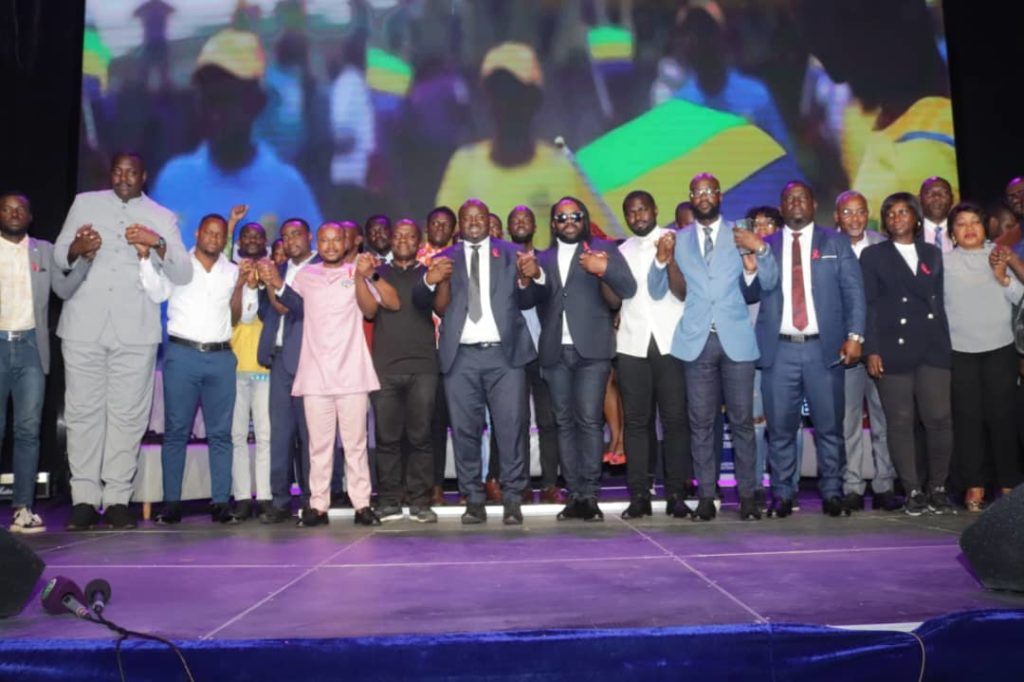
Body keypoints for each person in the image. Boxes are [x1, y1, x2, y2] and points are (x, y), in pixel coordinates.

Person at [55, 152, 192, 531]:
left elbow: (183, 272)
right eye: (117, 171)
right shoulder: (85, 203)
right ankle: (84, 498)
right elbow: (59, 254)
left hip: (136, 330)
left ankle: (117, 498)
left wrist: (157, 242)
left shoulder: (162, 216)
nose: (123, 177)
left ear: (143, 176)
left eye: (131, 172)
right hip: (83, 326)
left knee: (128, 416)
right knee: (82, 413)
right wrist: (76, 248)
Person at [649, 173, 777, 521]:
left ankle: (748, 497)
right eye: (697, 191)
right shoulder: (678, 239)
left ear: (720, 196)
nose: (704, 196)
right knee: (701, 423)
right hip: (697, 340)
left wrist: (759, 251)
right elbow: (657, 289)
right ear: (691, 197)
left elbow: (766, 282)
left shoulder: (740, 233)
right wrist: (661, 259)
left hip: (736, 338)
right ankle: (706, 497)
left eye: (710, 191)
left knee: (742, 423)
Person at [258, 223, 396, 526]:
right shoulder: (306, 275)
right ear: (317, 244)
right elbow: (290, 307)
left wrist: (365, 275)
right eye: (325, 240)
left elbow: (377, 308)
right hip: (315, 373)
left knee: (356, 445)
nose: (331, 246)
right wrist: (275, 283)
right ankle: (318, 506)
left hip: (351, 372)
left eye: (336, 240)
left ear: (346, 243)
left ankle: (362, 505)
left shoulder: (356, 270)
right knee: (318, 446)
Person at [413, 198, 539, 526]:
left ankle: (513, 499)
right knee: (465, 430)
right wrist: (428, 280)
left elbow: (528, 300)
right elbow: (422, 301)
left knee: (511, 429)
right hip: (461, 357)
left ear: (487, 220)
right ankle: (472, 499)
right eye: (466, 218)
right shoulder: (444, 257)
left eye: (479, 217)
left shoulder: (511, 253)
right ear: (459, 224)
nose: (473, 222)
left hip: (505, 356)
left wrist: (529, 278)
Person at [750, 182, 866, 518]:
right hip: (779, 350)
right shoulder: (767, 245)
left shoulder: (836, 242)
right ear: (781, 208)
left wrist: (855, 336)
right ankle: (783, 494)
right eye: (789, 198)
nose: (796, 202)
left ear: (814, 205)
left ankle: (832, 492)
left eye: (802, 198)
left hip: (824, 349)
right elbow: (750, 291)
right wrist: (750, 267)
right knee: (781, 430)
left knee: (829, 428)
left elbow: (854, 292)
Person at [151, 29, 322, 248]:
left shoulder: (286, 188)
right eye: (208, 98)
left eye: (227, 98)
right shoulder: (172, 182)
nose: (215, 112)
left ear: (257, 103)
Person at [524, 197, 637, 522]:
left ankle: (589, 494)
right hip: (554, 351)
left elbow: (628, 288)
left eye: (575, 215)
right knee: (564, 423)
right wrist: (534, 277)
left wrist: (605, 268)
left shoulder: (603, 248)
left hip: (593, 350)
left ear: (584, 219)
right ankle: (573, 493)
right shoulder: (542, 257)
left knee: (588, 420)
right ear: (553, 224)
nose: (569, 221)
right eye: (562, 217)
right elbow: (528, 300)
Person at [434, 43, 600, 251]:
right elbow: (441, 246)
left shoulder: (560, 168)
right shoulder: (464, 165)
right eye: (496, 93)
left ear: (534, 101)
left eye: (515, 93)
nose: (505, 103)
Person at [145, 214, 255, 524]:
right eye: (209, 232)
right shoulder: (180, 264)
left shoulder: (232, 271)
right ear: (197, 233)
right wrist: (145, 260)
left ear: (224, 239)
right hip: (183, 355)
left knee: (221, 434)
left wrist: (240, 286)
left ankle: (220, 503)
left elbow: (240, 318)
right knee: (176, 432)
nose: (213, 238)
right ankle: (171, 504)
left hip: (220, 357)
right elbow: (157, 293)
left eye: (219, 234)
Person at [0, 192, 89, 533]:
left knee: (28, 430)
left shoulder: (44, 250)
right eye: (7, 209)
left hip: (30, 348)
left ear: (30, 216)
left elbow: (63, 290)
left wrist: (85, 262)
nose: (14, 213)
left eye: (20, 209)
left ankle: (23, 508)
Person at [861, 192, 954, 516]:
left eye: (903, 212)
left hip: (932, 345)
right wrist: (871, 349)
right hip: (892, 347)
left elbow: (938, 302)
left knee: (939, 419)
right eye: (890, 213)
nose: (896, 217)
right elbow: (868, 305)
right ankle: (913, 489)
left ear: (916, 218)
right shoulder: (873, 256)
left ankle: (938, 487)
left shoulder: (932, 253)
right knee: (900, 422)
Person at [615, 191, 690, 519]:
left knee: (674, 421)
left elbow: (683, 292)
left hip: (671, 343)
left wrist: (668, 258)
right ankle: (639, 495)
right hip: (632, 345)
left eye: (643, 209)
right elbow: (615, 298)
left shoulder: (677, 241)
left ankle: (675, 493)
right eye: (631, 212)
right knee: (636, 423)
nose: (638, 216)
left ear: (655, 209)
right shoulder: (621, 251)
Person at [944, 203, 1023, 511]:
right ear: (952, 233)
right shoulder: (943, 263)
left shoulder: (999, 254)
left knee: (1003, 419)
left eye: (975, 222)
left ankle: (1008, 485)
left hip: (1000, 349)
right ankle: (974, 485)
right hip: (960, 351)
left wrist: (1003, 278)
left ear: (984, 227)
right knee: (968, 421)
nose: (969, 228)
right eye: (961, 223)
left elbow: (1020, 297)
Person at [833, 191, 899, 512]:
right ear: (837, 216)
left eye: (860, 211)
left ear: (868, 214)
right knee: (849, 421)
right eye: (847, 212)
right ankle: (853, 486)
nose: (854, 218)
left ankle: (885, 483)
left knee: (883, 417)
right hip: (844, 347)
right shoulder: (828, 247)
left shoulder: (885, 246)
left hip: (880, 346)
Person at [371, 219, 439, 523]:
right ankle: (388, 500)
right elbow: (368, 312)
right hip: (385, 366)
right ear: (390, 239)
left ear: (419, 242)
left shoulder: (429, 274)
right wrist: (367, 275)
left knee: (420, 437)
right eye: (398, 235)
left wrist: (440, 280)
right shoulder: (377, 273)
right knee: (386, 438)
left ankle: (420, 501)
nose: (402, 240)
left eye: (409, 236)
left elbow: (442, 307)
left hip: (423, 366)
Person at [256, 217, 318, 524]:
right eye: (285, 236)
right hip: (279, 358)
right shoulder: (278, 269)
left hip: (309, 358)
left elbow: (305, 309)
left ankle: (312, 500)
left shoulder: (322, 269)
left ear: (309, 236)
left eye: (297, 234)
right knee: (279, 434)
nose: (291, 240)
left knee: (310, 436)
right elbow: (268, 311)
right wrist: (267, 283)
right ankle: (280, 501)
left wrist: (278, 286)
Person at [503, 205, 563, 504]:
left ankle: (550, 484)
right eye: (515, 220)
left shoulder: (547, 260)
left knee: (549, 420)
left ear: (535, 226)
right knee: (517, 421)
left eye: (525, 219)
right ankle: (521, 483)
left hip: (544, 349)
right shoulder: (499, 262)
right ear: (508, 228)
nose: (520, 223)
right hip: (512, 353)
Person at [228, 210, 272, 520]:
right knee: (237, 435)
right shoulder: (229, 272)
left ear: (265, 242)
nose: (252, 239)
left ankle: (266, 496)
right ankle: (242, 496)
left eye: (257, 236)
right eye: (247, 236)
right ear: (239, 242)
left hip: (265, 366)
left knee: (267, 435)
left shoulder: (273, 273)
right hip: (232, 364)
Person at [743, 205, 785, 510]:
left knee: (786, 423)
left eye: (769, 224)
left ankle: (787, 487)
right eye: (755, 225)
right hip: (751, 349)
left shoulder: (788, 259)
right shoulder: (739, 260)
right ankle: (756, 485)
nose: (762, 229)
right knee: (755, 421)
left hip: (784, 349)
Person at [919, 176, 954, 254]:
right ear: (919, 199)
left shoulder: (962, 230)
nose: (936, 197)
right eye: (929, 193)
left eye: (943, 193)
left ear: (952, 199)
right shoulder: (910, 233)